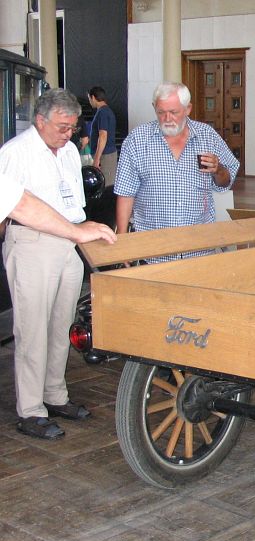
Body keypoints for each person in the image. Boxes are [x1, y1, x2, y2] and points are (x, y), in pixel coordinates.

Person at [0, 89, 117, 440]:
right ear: (40, 121)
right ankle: (31, 410)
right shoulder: (15, 153)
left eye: (73, 127)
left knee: (61, 325)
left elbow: (73, 202)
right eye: (62, 127)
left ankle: (54, 395)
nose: (68, 134)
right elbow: (14, 208)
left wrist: (83, 231)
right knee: (32, 329)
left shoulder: (68, 151)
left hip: (69, 242)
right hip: (32, 244)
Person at [114, 82, 240, 261]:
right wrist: (122, 242)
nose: (167, 118)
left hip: (199, 248)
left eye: (173, 112)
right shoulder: (137, 140)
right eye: (161, 112)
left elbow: (226, 181)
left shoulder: (207, 136)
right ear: (154, 108)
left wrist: (218, 169)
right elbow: (125, 193)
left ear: (188, 109)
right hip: (152, 251)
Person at [87, 86, 117, 186]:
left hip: (105, 156)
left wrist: (97, 158)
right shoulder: (105, 111)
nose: (89, 102)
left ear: (93, 97)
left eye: (89, 99)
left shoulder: (103, 112)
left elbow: (103, 136)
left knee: (106, 185)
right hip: (106, 154)